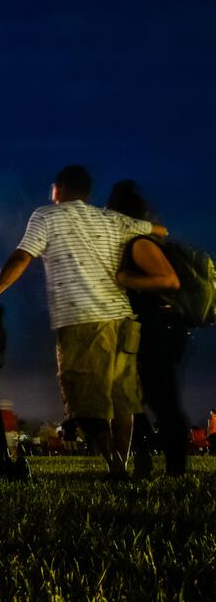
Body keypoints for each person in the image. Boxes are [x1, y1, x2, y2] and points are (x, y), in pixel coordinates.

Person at [0, 165, 164, 478]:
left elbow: (23, 256)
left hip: (82, 318)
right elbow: (158, 232)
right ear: (88, 193)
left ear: (58, 190)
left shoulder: (46, 216)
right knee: (121, 396)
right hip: (121, 316)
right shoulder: (111, 219)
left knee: (82, 399)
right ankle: (121, 464)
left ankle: (114, 466)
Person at [107, 181, 188, 477]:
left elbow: (169, 281)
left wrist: (127, 279)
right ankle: (145, 462)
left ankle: (175, 469)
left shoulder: (140, 244)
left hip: (159, 329)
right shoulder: (137, 242)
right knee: (136, 397)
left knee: (160, 398)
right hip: (150, 328)